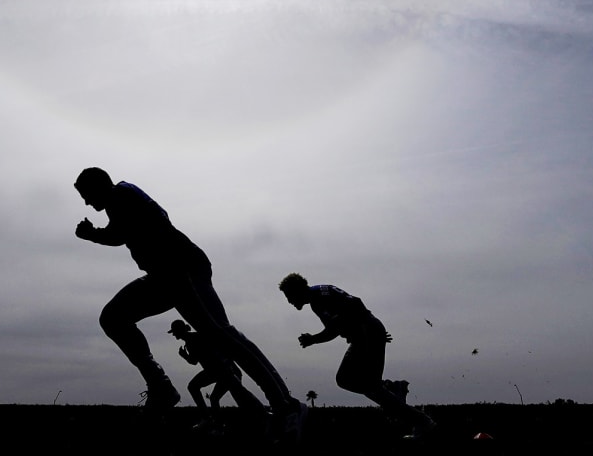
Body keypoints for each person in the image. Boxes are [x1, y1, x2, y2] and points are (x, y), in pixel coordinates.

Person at [74, 167, 304, 437]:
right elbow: (124, 231)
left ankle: (286, 406)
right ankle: (160, 387)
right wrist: (97, 234)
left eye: (87, 196)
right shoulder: (121, 196)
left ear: (99, 186)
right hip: (163, 276)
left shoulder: (119, 195)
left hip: (183, 268)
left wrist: (91, 234)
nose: (87, 203)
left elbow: (118, 234)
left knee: (220, 333)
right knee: (114, 317)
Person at [278, 272, 434, 434]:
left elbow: (348, 310)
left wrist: (368, 327)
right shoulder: (318, 298)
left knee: (359, 383)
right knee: (355, 382)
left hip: (366, 334)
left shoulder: (319, 296)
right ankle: (398, 396)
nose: (289, 301)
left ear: (298, 290)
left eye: (289, 296)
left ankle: (420, 419)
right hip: (365, 334)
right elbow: (336, 326)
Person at [169, 318, 262, 420]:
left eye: (174, 332)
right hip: (221, 370)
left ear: (179, 330)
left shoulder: (192, 340)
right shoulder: (193, 338)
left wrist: (184, 356)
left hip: (218, 370)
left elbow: (194, 361)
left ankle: (208, 419)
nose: (174, 335)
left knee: (194, 387)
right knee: (223, 396)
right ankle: (216, 423)